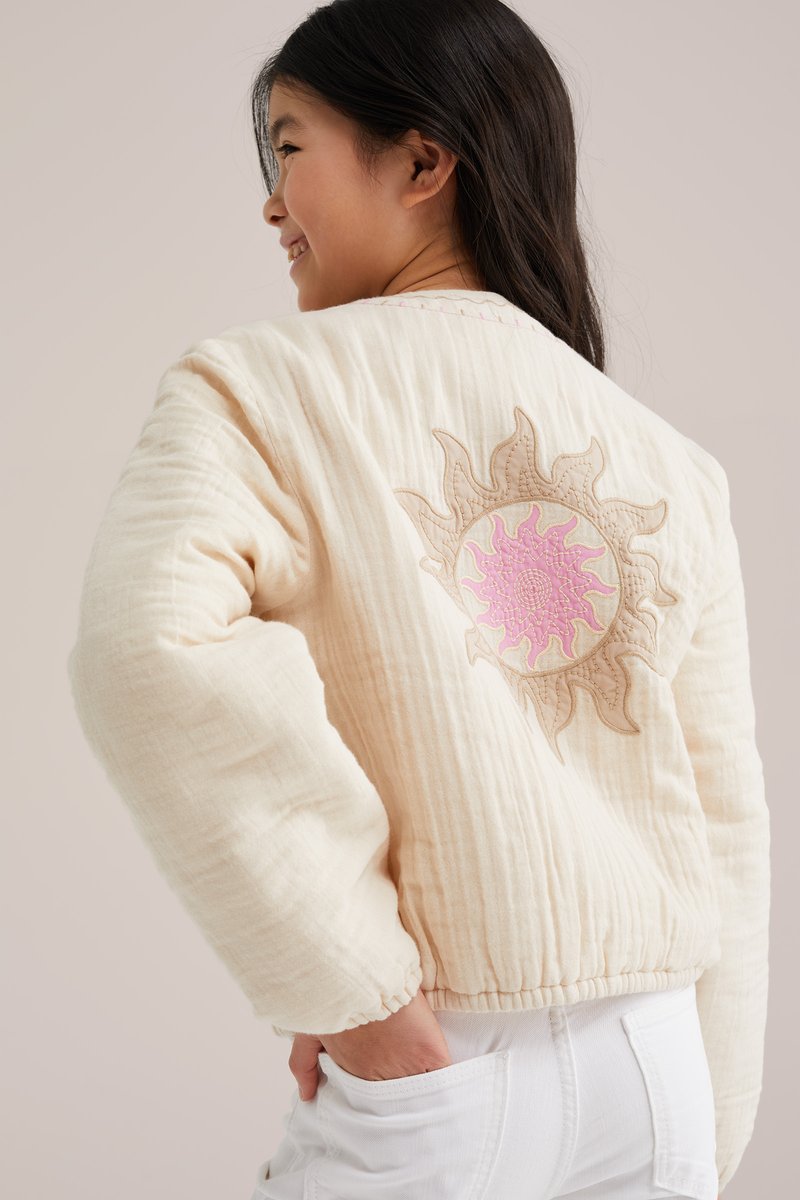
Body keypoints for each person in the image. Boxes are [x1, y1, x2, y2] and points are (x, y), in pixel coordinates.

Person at [66, 2, 769, 1198]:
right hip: (656, 1067)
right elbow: (721, 820)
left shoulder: (256, 388)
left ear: (421, 162)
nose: (271, 203)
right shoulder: (664, 459)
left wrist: (352, 984)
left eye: (289, 147)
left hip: (436, 1069)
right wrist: (706, 1112)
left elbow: (146, 651)